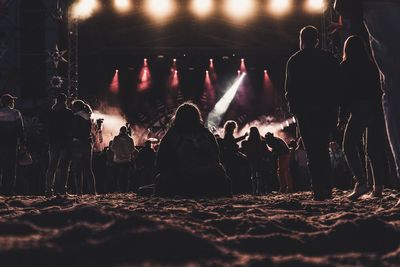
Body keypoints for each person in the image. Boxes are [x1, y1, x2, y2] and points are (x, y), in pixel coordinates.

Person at [285, 26, 341, 200]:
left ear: (301, 39)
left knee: (311, 151)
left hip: (305, 113)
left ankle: (318, 188)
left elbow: (289, 90)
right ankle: (326, 187)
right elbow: (336, 86)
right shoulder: (328, 58)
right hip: (325, 111)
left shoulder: (294, 60)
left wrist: (295, 111)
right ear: (317, 40)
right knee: (323, 149)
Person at [338, 36, 386, 199]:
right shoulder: (372, 65)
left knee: (348, 145)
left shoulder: (345, 66)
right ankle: (378, 188)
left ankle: (361, 182)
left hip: (360, 108)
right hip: (377, 109)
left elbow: (343, 94)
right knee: (373, 150)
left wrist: (342, 117)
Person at [155, 102, 231, 197]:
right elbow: (216, 157)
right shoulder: (207, 134)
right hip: (209, 178)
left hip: (182, 179)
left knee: (162, 179)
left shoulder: (173, 134)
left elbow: (160, 161)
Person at [45, 93, 73, 196]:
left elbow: (47, 128)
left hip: (53, 142)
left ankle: (48, 189)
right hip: (65, 142)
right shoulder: (68, 112)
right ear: (65, 101)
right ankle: (61, 189)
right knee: (64, 167)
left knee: (52, 166)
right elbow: (71, 129)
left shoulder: (51, 112)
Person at [0, 93, 24, 195]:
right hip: (12, 144)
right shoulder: (16, 113)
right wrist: (23, 143)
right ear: (10, 102)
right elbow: (21, 130)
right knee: (10, 168)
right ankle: (8, 190)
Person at [70, 100, 96, 195]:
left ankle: (79, 192)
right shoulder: (88, 117)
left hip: (78, 143)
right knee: (88, 169)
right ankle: (93, 191)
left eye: (73, 106)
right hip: (87, 143)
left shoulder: (76, 117)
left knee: (78, 170)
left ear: (77, 107)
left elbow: (73, 131)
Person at [111, 126, 135, 193]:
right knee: (126, 176)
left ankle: (116, 189)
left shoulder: (116, 138)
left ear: (120, 131)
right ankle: (124, 190)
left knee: (116, 176)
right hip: (126, 160)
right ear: (126, 131)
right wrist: (126, 154)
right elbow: (132, 149)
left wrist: (119, 154)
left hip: (117, 160)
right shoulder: (130, 139)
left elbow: (112, 148)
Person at [246, 127, 267, 195]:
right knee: (260, 175)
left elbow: (248, 151)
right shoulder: (261, 141)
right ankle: (261, 190)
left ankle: (254, 191)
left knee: (253, 175)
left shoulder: (249, 141)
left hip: (252, 159)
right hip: (260, 159)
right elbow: (265, 151)